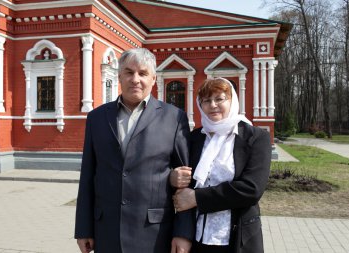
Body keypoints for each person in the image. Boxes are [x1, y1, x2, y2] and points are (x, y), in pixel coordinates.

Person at [75, 48, 194, 253]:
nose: (135, 79)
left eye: (143, 73)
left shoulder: (174, 118)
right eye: (129, 72)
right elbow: (88, 176)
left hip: (154, 232)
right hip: (107, 230)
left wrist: (183, 233)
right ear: (119, 76)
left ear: (154, 78)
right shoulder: (96, 118)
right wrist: (83, 228)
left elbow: (185, 181)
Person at [171, 78, 271, 253]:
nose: (213, 105)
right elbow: (183, 190)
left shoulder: (255, 137)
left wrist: (197, 198)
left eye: (219, 99)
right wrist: (182, 233)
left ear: (232, 101)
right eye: (206, 100)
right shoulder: (194, 138)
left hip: (237, 239)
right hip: (197, 239)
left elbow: (251, 189)